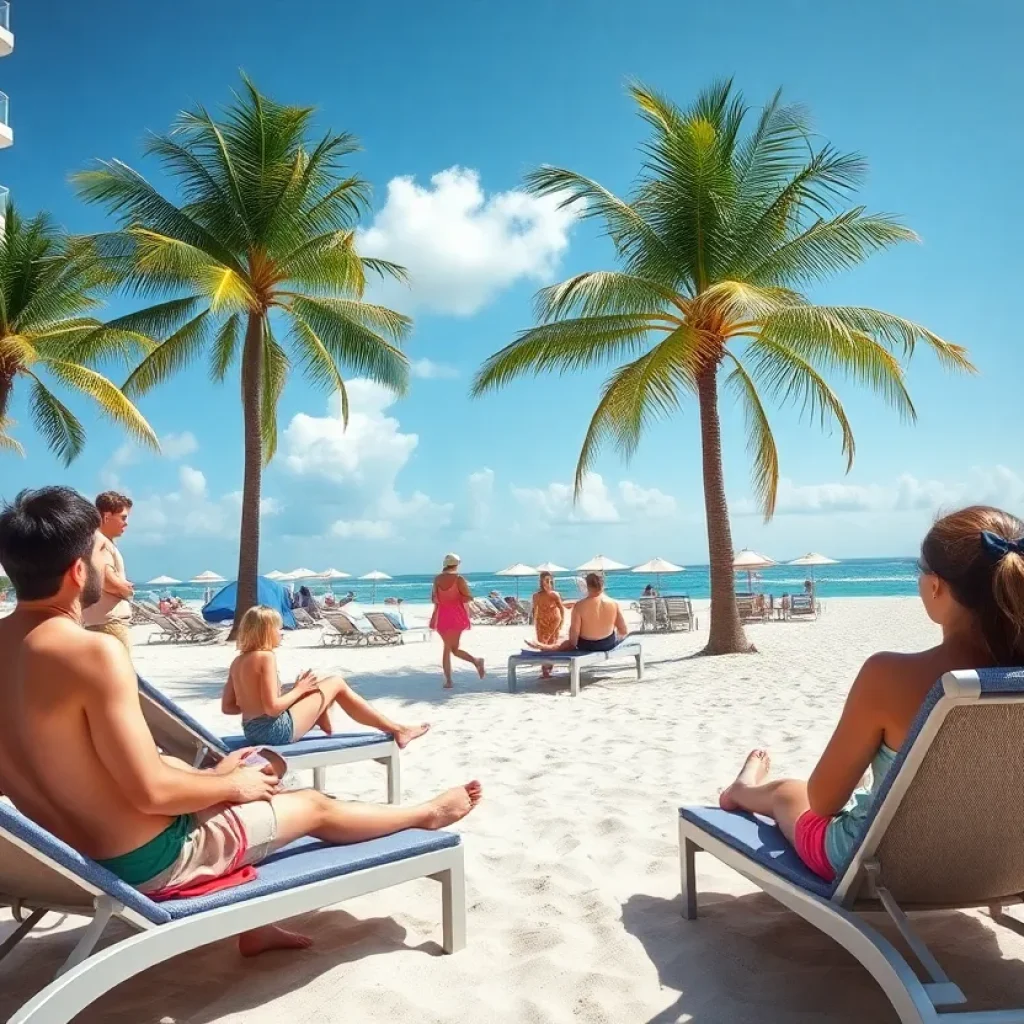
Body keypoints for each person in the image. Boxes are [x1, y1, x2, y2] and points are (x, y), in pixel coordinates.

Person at [0, 486, 481, 956]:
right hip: (151, 861)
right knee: (311, 804)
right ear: (78, 569)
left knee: (244, 774)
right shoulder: (91, 653)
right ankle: (426, 814)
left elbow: (72, 772)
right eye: (99, 554)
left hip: (67, 854)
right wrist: (234, 788)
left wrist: (213, 777)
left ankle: (256, 925)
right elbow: (150, 794)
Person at [717, 505, 1024, 883]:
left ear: (934, 585)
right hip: (999, 864)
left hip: (882, 867)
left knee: (789, 794)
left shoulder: (888, 676)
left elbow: (823, 802)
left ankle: (742, 790)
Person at [222, 606, 429, 750]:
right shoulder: (265, 657)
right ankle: (398, 729)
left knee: (316, 684)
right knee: (336, 682)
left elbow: (228, 707)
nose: (281, 632)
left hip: (251, 731)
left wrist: (256, 704)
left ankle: (321, 714)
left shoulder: (237, 662)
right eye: (278, 628)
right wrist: (299, 690)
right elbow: (272, 709)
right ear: (265, 632)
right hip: (274, 733)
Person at [81, 491, 134, 651]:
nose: (126, 523)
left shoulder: (95, 541)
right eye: (123, 517)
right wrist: (127, 590)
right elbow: (106, 581)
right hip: (109, 622)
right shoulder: (100, 542)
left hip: (100, 621)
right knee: (121, 674)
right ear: (106, 516)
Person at [526, 572, 628, 653]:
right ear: (603, 585)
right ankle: (544, 647)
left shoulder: (579, 606)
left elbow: (572, 642)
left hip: (586, 646)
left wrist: (550, 647)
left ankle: (544, 647)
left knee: (566, 641)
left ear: (586, 586)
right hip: (607, 644)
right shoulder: (614, 603)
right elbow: (623, 631)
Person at [430, 553, 485, 689]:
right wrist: (456, 598)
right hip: (456, 617)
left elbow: (433, 599)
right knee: (452, 649)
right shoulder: (459, 579)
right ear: (456, 564)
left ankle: (449, 680)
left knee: (448, 648)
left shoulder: (437, 579)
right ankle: (475, 661)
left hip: (441, 616)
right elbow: (468, 597)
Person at [532, 572, 567, 679]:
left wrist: (561, 622)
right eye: (545, 581)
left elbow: (561, 609)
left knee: (552, 644)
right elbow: (534, 610)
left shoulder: (554, 594)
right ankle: (544, 671)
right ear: (541, 582)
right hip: (541, 622)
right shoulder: (536, 596)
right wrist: (535, 622)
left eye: (549, 581)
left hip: (554, 621)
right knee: (542, 645)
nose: (547, 583)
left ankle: (549, 667)